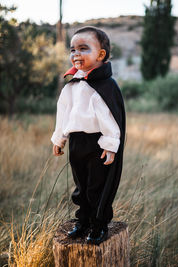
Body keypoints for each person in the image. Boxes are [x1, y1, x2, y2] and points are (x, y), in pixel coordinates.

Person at [51, 26, 126, 245]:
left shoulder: (106, 86)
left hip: (98, 144)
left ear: (101, 55)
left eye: (83, 49)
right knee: (81, 186)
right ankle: (82, 220)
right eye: (72, 49)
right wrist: (59, 139)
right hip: (77, 143)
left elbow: (111, 119)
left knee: (97, 187)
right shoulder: (71, 86)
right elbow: (63, 115)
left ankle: (99, 224)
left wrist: (111, 146)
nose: (75, 54)